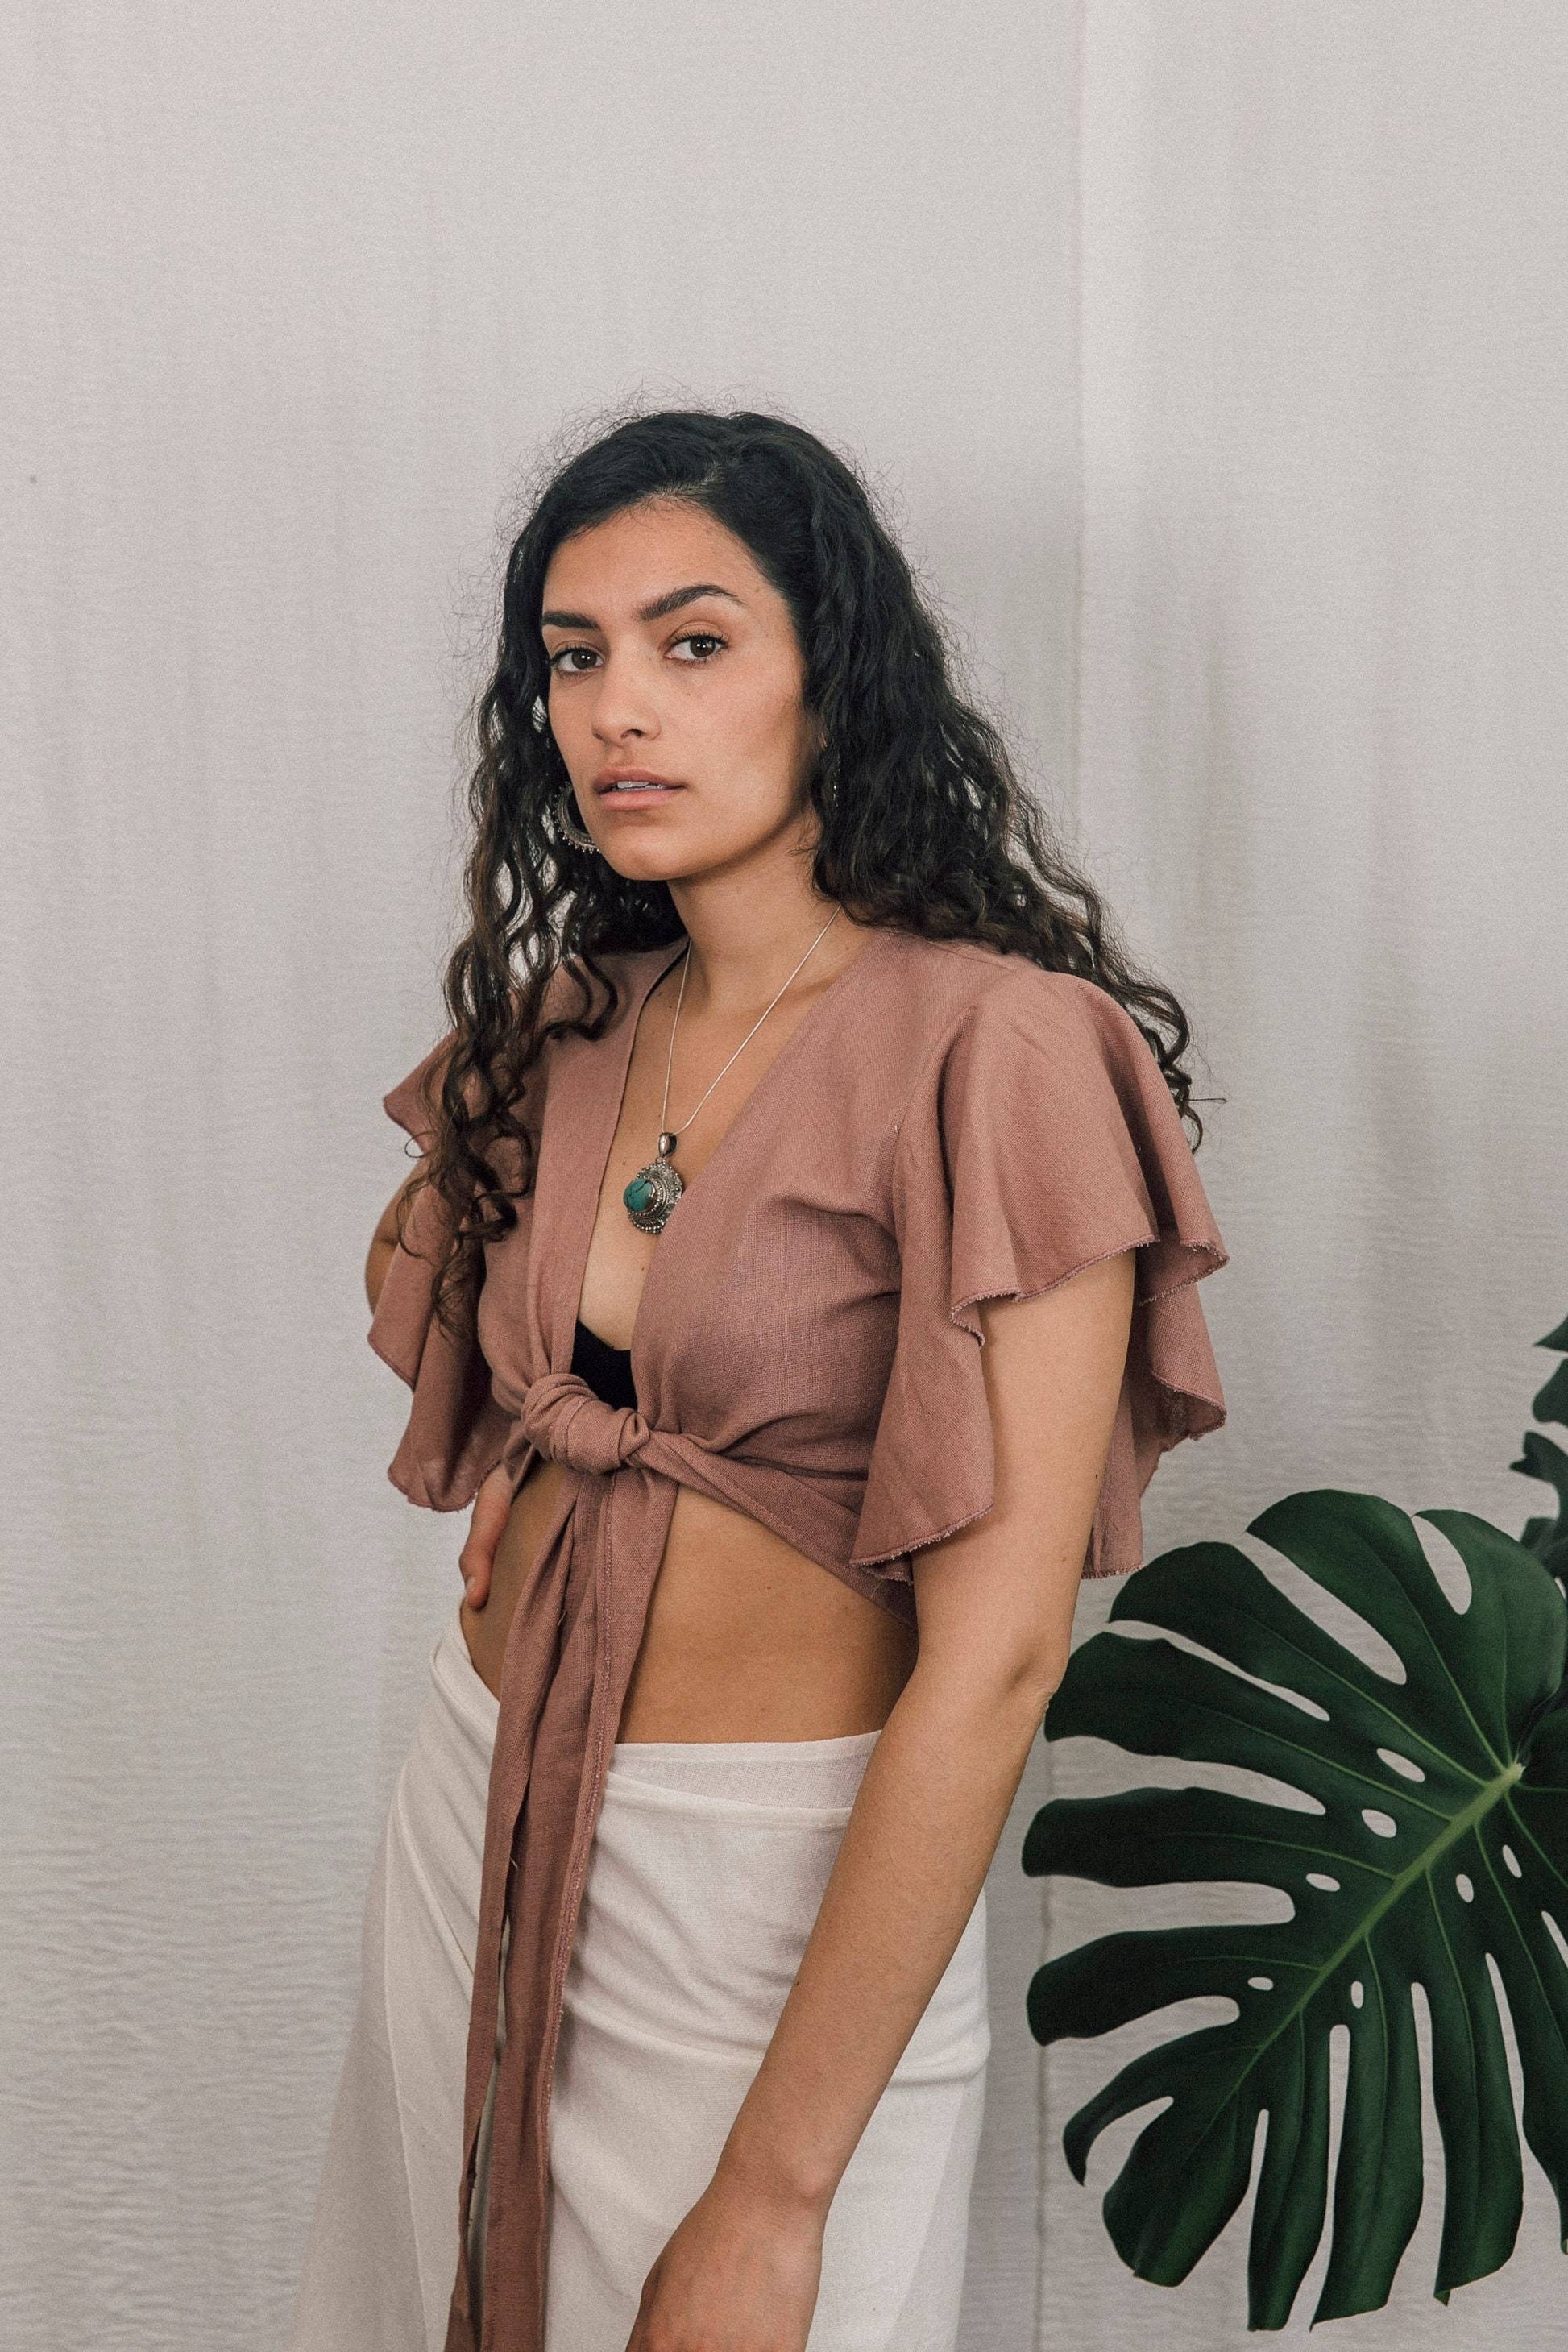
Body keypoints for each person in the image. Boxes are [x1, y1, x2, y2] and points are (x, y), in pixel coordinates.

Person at [285, 407, 1230, 2352]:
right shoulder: (570, 1020)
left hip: (770, 1898)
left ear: (835, 674)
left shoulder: (1002, 1049)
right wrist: (547, 1477)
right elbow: (463, 1323)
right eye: (574, 656)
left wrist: (778, 2192)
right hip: (481, 1806)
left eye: (693, 642)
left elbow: (997, 1661)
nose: (617, 708)